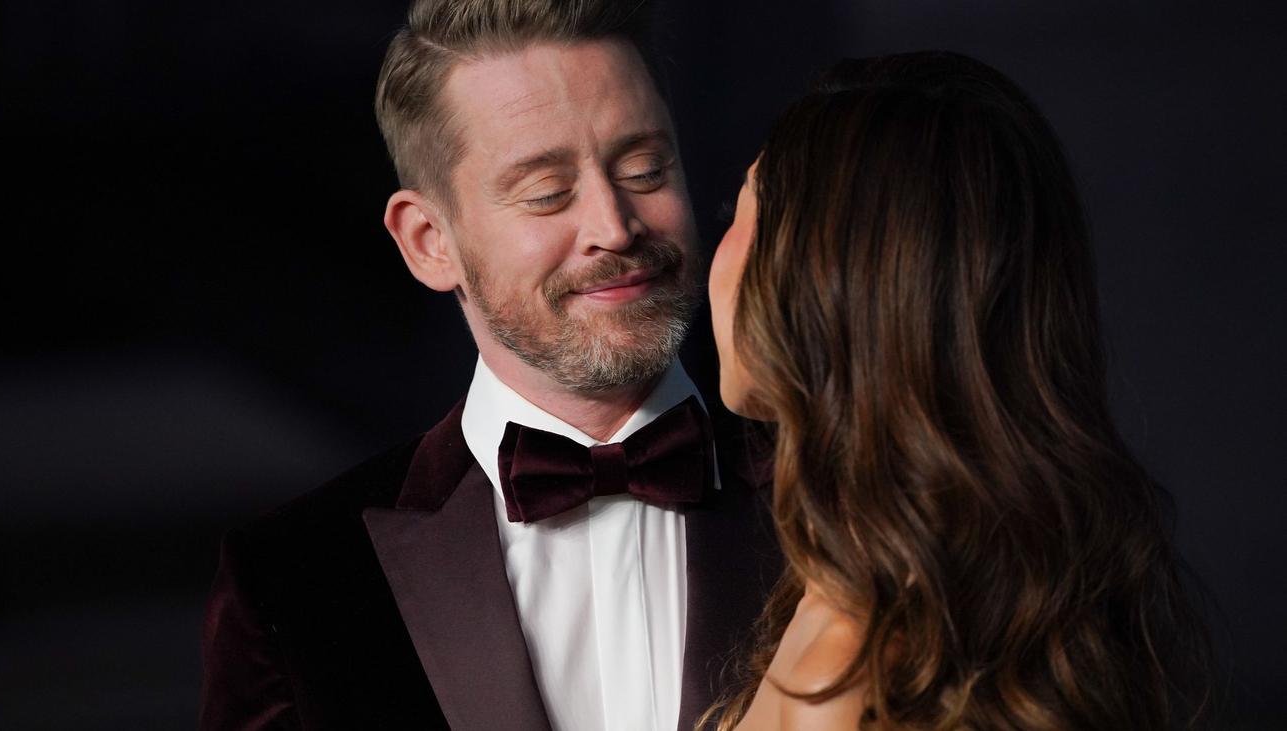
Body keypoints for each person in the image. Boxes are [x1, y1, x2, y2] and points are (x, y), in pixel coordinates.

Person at [198, 1, 780, 729]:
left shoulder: (851, 495)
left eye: (645, 169)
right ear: (429, 242)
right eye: (547, 194)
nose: (614, 226)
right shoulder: (291, 579)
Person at [703, 52, 1211, 730]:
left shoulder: (842, 674)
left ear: (829, 284)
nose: (717, 255)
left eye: (743, 211)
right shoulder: (904, 611)